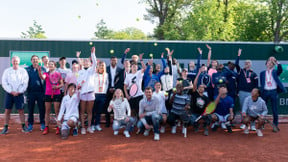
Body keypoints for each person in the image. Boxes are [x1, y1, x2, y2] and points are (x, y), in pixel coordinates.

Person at [1, 56, 29, 134]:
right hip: (9, 94)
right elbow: (4, 82)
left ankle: (23, 127)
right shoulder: (7, 71)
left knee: (21, 110)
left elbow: (25, 83)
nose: (15, 62)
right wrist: (11, 91)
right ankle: (6, 127)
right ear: (11, 62)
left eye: (16, 61)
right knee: (7, 111)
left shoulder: (23, 71)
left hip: (19, 94)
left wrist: (19, 91)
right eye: (14, 61)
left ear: (19, 62)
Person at [260, 57, 286, 132]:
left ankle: (275, 125)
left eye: (271, 63)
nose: (269, 64)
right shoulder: (262, 73)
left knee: (274, 109)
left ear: (273, 65)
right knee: (262, 109)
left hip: (273, 92)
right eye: (268, 62)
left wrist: (277, 62)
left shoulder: (275, 72)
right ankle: (262, 124)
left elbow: (280, 70)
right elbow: (262, 83)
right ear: (266, 64)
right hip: (265, 92)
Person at [38, 61, 64, 135]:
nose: (50, 65)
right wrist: (39, 72)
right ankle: (46, 127)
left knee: (57, 111)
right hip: (48, 94)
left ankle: (58, 127)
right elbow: (42, 77)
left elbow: (62, 84)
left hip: (57, 93)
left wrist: (57, 87)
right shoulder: (46, 73)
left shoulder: (58, 74)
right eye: (49, 65)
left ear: (55, 66)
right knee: (47, 111)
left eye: (52, 64)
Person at [235, 49, 258, 130]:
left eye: (248, 63)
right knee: (243, 108)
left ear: (250, 65)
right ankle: (244, 123)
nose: (246, 64)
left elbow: (256, 85)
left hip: (250, 94)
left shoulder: (254, 74)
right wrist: (238, 55)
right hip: (241, 92)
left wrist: (255, 94)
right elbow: (236, 64)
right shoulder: (241, 71)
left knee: (251, 109)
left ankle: (252, 125)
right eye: (245, 63)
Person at [77, 47, 97, 135]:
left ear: (90, 63)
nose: (86, 63)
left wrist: (93, 54)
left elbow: (95, 63)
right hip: (83, 94)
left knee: (89, 112)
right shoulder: (80, 71)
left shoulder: (91, 70)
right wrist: (79, 85)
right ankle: (83, 128)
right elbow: (78, 82)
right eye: (84, 62)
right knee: (82, 111)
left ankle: (89, 127)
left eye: (87, 62)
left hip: (91, 94)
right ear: (82, 63)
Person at [26, 55, 46, 132]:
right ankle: (30, 124)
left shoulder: (43, 68)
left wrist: (39, 71)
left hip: (41, 92)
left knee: (42, 109)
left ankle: (42, 123)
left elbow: (44, 78)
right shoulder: (27, 69)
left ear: (38, 61)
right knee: (30, 109)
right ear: (31, 61)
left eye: (36, 59)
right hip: (31, 92)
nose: (35, 61)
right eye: (33, 60)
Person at [189, 67, 211, 136]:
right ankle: (196, 126)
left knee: (209, 117)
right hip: (194, 113)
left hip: (202, 114)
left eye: (202, 87)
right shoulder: (195, 94)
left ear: (204, 89)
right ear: (198, 89)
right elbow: (194, 84)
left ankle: (205, 128)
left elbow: (208, 107)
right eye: (200, 87)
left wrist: (206, 112)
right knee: (192, 119)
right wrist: (198, 73)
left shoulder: (206, 98)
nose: (201, 88)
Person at [124, 54, 145, 118]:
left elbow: (144, 68)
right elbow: (125, 86)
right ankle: (133, 124)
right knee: (132, 111)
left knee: (139, 111)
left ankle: (140, 124)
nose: (134, 67)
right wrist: (127, 95)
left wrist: (141, 60)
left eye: (135, 66)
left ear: (137, 67)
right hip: (131, 96)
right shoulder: (128, 75)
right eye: (133, 66)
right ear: (131, 67)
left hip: (139, 95)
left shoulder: (139, 73)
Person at [91, 60, 109, 132]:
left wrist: (104, 92)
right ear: (97, 66)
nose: (101, 67)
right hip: (95, 94)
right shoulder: (94, 74)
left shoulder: (106, 75)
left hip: (102, 95)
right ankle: (92, 125)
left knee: (99, 111)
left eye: (102, 66)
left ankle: (97, 124)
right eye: (100, 65)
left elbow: (107, 84)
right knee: (93, 111)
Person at [106, 55, 123, 127]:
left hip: (117, 91)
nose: (114, 61)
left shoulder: (120, 70)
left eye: (115, 60)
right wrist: (109, 88)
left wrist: (115, 89)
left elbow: (120, 81)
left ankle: (118, 122)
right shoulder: (106, 69)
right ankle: (107, 122)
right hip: (108, 90)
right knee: (108, 106)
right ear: (110, 61)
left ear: (117, 61)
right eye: (113, 60)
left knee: (118, 106)